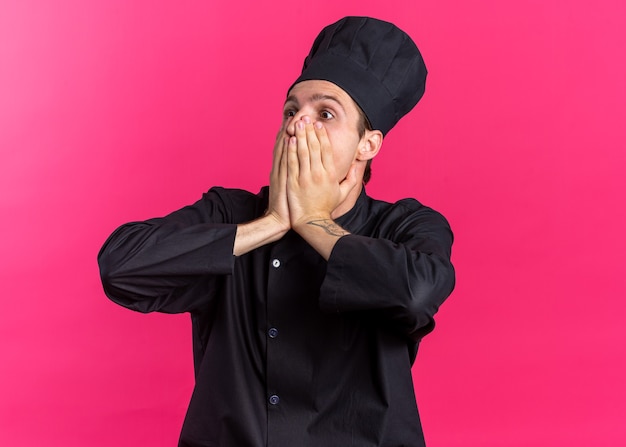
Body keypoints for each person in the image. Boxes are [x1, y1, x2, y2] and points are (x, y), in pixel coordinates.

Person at [98, 16, 455, 447]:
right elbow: (121, 267)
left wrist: (312, 222)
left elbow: (415, 293)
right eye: (292, 110)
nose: (297, 125)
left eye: (324, 113)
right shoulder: (231, 212)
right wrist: (270, 225)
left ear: (368, 144)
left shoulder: (405, 224)